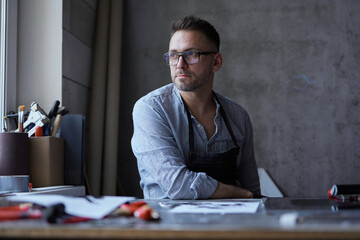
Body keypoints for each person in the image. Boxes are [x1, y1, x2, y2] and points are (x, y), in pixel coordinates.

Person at [131, 16, 260, 199]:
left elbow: (252, 188)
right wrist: (239, 193)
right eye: (174, 55)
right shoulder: (151, 109)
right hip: (169, 224)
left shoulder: (238, 116)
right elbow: (178, 185)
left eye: (191, 54)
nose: (180, 65)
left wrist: (247, 195)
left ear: (216, 62)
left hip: (229, 224)